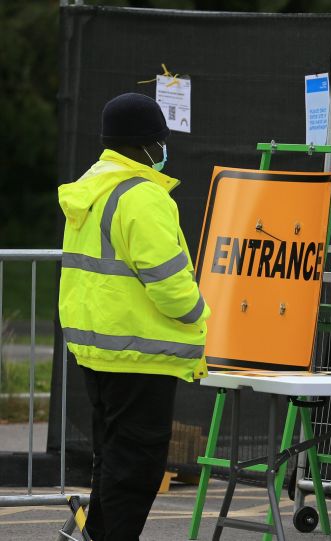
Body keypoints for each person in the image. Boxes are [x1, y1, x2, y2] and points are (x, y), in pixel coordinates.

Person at [58, 92, 210, 540]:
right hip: (140, 355)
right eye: (161, 141)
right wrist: (199, 313)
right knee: (136, 469)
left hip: (99, 350)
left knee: (112, 461)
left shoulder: (92, 187)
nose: (165, 149)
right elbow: (169, 283)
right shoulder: (141, 196)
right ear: (147, 145)